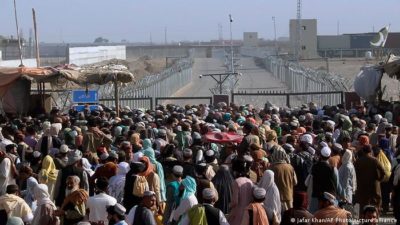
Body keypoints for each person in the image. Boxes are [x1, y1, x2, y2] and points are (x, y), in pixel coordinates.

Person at [354, 145, 385, 213]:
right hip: (374, 187)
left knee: (363, 206)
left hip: (362, 187)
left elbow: (354, 173)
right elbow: (383, 171)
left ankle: (363, 221)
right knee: (375, 206)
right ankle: (374, 220)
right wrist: (379, 179)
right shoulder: (375, 160)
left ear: (363, 151)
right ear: (371, 151)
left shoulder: (358, 161)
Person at [229, 157, 254, 225]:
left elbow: (235, 201)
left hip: (237, 213)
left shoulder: (236, 182)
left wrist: (229, 206)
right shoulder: (249, 181)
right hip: (247, 213)